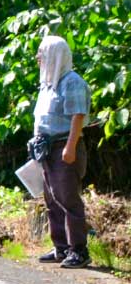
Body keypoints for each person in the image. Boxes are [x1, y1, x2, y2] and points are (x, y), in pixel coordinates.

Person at [32, 35, 92, 268]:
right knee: (52, 199)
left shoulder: (72, 82)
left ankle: (79, 250)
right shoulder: (49, 83)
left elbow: (78, 116)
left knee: (68, 198)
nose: (38, 57)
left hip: (63, 146)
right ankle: (61, 247)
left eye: (42, 53)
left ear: (55, 55)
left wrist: (70, 146)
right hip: (46, 149)